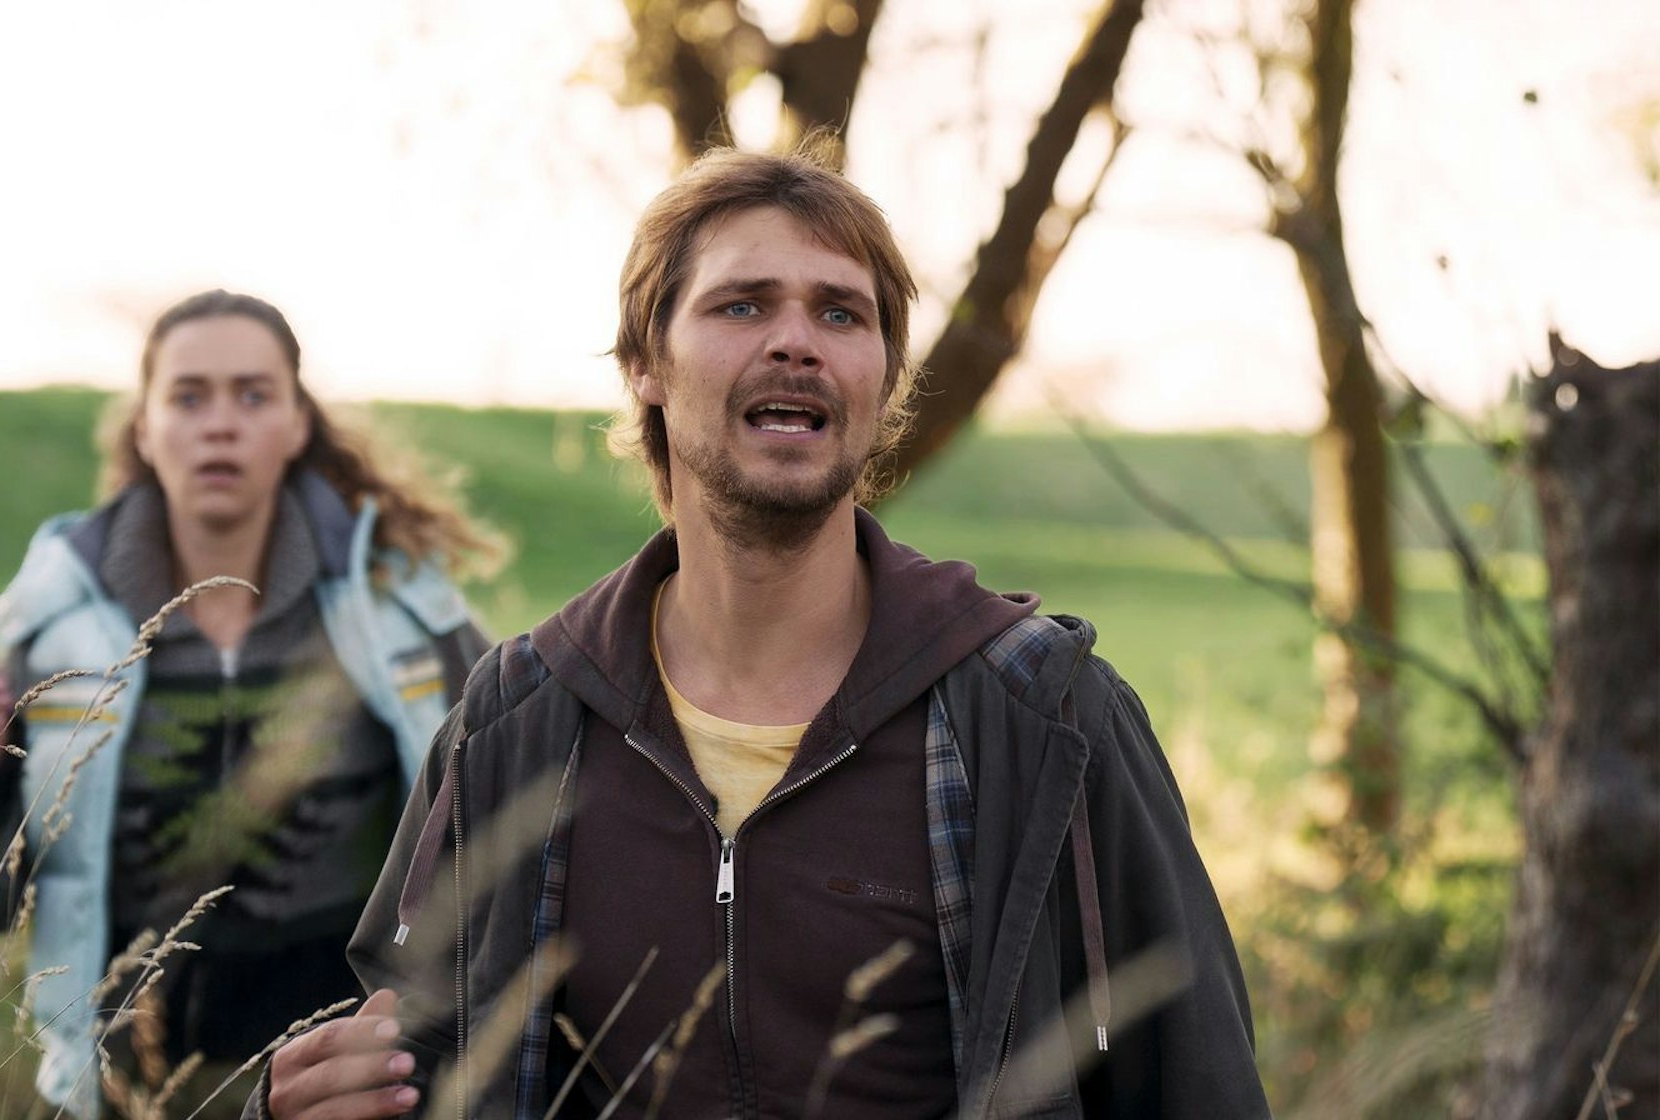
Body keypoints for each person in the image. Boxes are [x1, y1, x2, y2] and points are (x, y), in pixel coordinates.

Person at [254, 147, 1271, 1120]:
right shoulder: (516, 720)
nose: (797, 342)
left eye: (840, 313)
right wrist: (286, 1102)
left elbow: (1195, 1084)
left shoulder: (1041, 711)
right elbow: (415, 1063)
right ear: (644, 363)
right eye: (742, 305)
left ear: (881, 383)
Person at [0, 290, 492, 1118]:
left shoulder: (403, 616)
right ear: (145, 427)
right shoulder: (59, 637)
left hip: (355, 1080)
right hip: (123, 1086)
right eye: (189, 397)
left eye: (254, 395)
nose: (221, 423)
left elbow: (516, 827)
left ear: (297, 424)